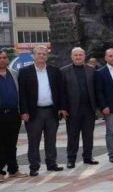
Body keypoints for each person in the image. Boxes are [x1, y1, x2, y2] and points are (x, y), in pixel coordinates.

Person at [18, 45, 66, 176]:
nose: (41, 56)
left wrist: (62, 108)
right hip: (34, 112)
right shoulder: (24, 72)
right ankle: (34, 166)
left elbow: (61, 91)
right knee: (34, 141)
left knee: (51, 139)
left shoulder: (55, 71)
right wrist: (24, 111)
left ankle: (52, 163)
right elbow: (22, 94)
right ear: (33, 56)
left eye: (44, 54)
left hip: (51, 111)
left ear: (47, 56)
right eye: (39, 54)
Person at [60, 47, 99, 168]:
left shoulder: (91, 70)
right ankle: (71, 159)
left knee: (88, 135)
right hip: (72, 110)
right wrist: (63, 108)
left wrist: (97, 107)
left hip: (89, 109)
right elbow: (61, 92)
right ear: (71, 57)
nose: (78, 57)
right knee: (72, 136)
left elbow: (96, 89)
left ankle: (88, 157)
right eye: (75, 55)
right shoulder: (64, 71)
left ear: (84, 56)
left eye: (80, 55)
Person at [0, 49, 27, 179]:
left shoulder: (14, 73)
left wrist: (22, 111)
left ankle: (13, 169)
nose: (2, 60)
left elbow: (21, 94)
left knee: (12, 144)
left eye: (4, 57)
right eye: (0, 58)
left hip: (13, 114)